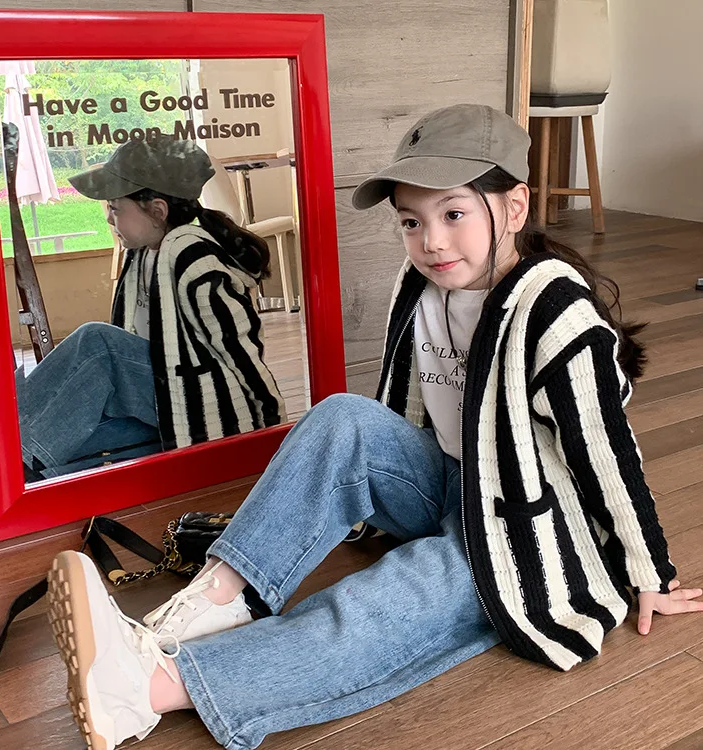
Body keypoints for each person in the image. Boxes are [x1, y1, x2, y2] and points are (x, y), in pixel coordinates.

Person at [45, 105, 703, 750]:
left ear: (513, 208)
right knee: (342, 417)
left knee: (394, 595)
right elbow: (399, 410)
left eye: (453, 214)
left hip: (529, 529)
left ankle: (146, 689)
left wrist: (650, 570)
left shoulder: (555, 310)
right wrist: (355, 501)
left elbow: (605, 452)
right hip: (451, 480)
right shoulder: (420, 285)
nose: (432, 241)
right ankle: (211, 604)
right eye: (412, 221)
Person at [17, 136, 286, 479]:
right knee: (72, 437)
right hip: (166, 401)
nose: (109, 219)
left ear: (158, 211)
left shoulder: (192, 257)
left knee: (97, 344)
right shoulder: (141, 255)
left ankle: (12, 450)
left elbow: (239, 346)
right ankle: (20, 462)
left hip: (206, 404)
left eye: (115, 208)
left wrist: (272, 430)